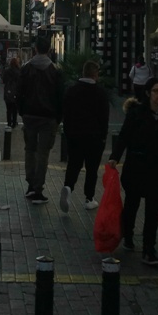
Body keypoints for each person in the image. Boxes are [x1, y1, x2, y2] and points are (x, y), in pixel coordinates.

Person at [107, 79, 158, 266]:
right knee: (131, 205)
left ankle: (149, 249)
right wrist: (115, 157)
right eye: (156, 91)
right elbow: (124, 136)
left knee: (152, 211)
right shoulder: (136, 113)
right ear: (148, 93)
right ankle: (128, 235)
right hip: (136, 167)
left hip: (157, 170)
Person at [16, 37, 63, 205]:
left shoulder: (26, 68)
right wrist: (58, 117)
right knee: (43, 153)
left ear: (35, 49)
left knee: (30, 150)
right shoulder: (55, 70)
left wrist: (22, 111)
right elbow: (60, 96)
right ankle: (38, 189)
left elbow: (19, 92)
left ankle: (30, 184)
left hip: (29, 115)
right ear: (49, 49)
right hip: (48, 117)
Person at [60, 60, 109, 213]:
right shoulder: (100, 93)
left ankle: (68, 187)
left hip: (74, 135)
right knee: (92, 168)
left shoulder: (71, 90)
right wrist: (103, 137)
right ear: (95, 74)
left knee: (74, 164)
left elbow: (65, 114)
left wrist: (68, 132)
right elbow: (104, 118)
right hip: (94, 137)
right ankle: (89, 198)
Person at [3, 56, 21, 128]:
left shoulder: (7, 71)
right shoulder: (19, 71)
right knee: (15, 109)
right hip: (16, 91)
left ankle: (9, 123)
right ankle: (14, 122)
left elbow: (4, 80)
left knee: (8, 109)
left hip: (8, 91)